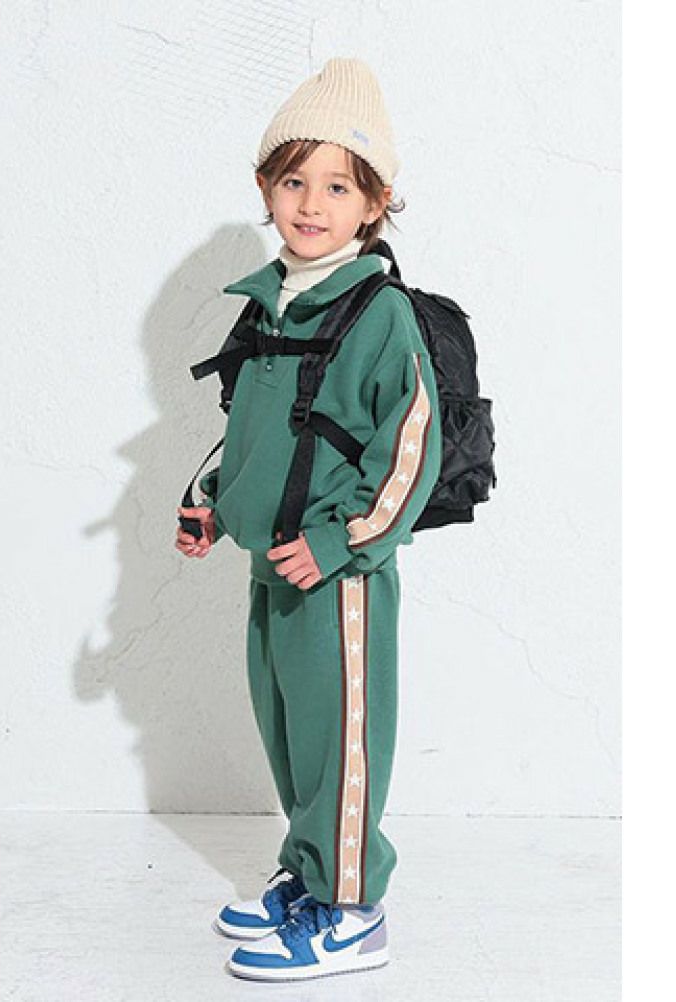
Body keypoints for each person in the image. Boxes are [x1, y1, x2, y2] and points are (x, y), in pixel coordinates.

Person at [174, 56, 442, 982]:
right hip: (271, 565)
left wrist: (339, 543)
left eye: (338, 185)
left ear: (375, 203)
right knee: (290, 739)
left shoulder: (380, 311)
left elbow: (410, 449)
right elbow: (258, 432)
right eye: (294, 181)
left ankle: (354, 910)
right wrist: (214, 507)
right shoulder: (274, 302)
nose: (311, 203)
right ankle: (309, 873)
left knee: (340, 742)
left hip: (339, 577)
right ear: (265, 188)